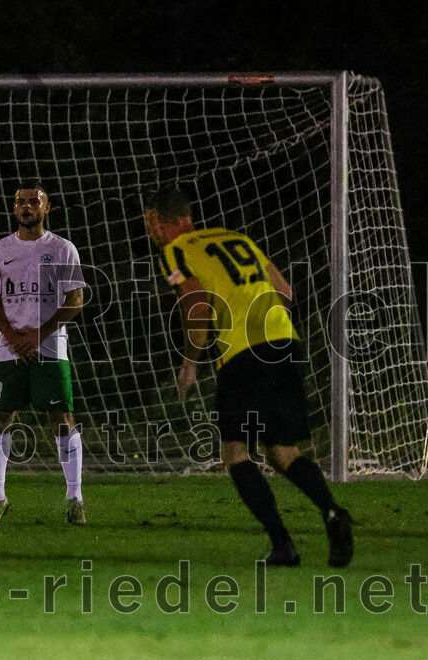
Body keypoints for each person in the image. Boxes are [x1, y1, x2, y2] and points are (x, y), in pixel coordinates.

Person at [143, 186, 353, 567]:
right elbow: (285, 291)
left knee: (235, 452)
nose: (149, 231)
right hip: (284, 341)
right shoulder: (237, 238)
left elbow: (196, 302)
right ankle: (332, 511)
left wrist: (191, 360)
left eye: (149, 222)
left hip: (242, 353)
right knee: (283, 452)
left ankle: (283, 544)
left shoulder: (175, 252)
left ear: (161, 219)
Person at [0, 184, 87, 524]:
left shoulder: (62, 248)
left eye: (33, 202)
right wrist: (12, 336)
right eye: (20, 202)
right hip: (8, 348)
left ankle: (75, 499)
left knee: (62, 419)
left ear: (47, 207)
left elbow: (76, 300)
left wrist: (38, 334)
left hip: (51, 348)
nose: (26, 207)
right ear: (14, 209)